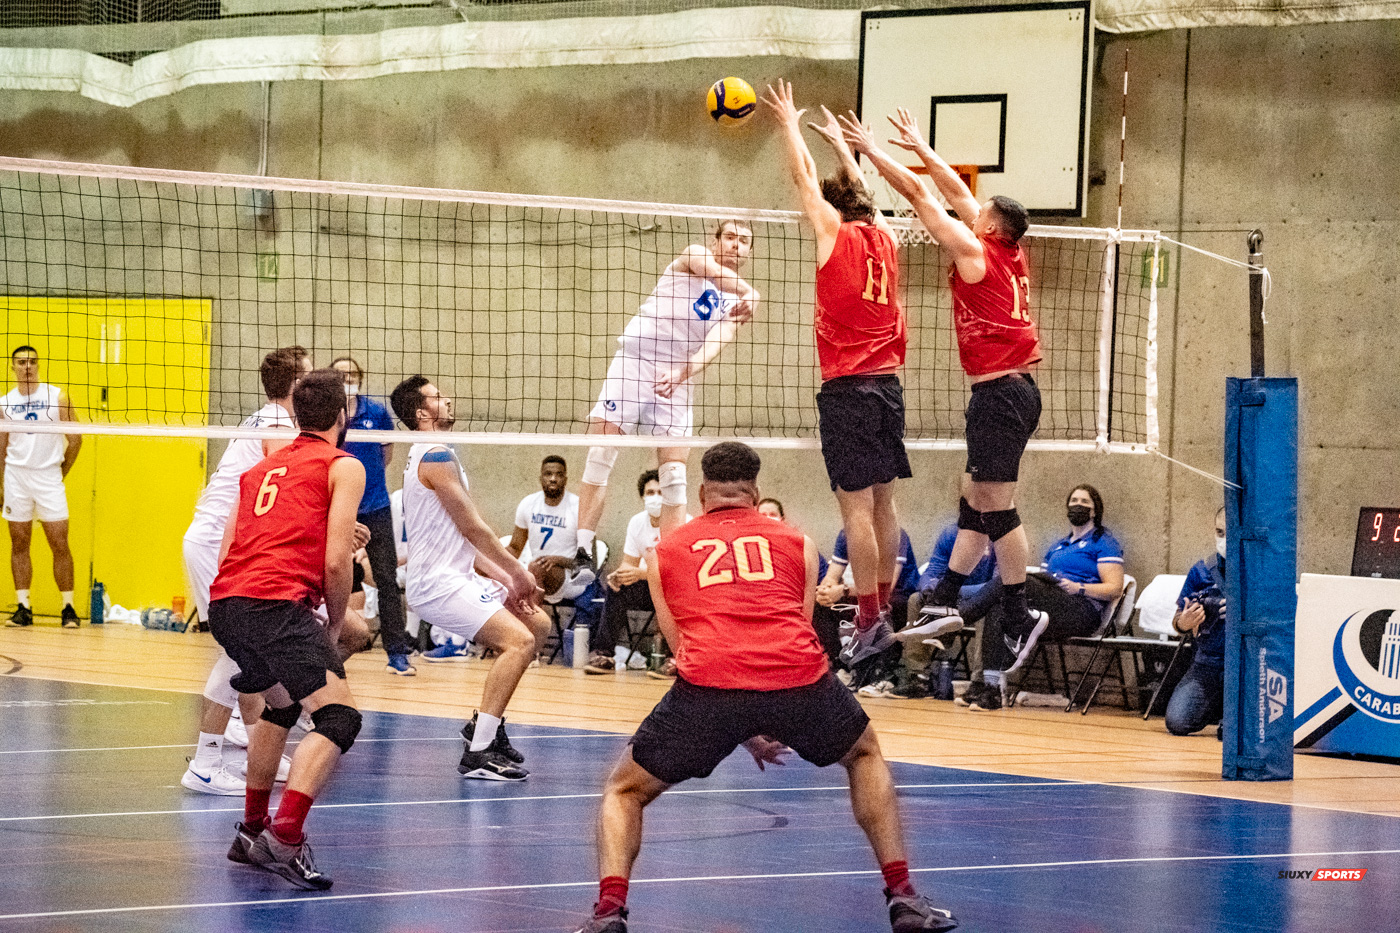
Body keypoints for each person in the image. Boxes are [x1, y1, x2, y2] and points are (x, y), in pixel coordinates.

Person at [571, 441, 957, 933]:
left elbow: (681, 649)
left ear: (703, 491)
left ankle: (609, 912)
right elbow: (796, 623)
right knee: (863, 754)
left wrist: (741, 722)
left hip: (708, 684)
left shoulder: (662, 553)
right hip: (796, 676)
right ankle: (903, 898)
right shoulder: (799, 542)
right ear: (754, 492)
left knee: (624, 790)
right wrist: (765, 716)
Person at [839, 108, 1045, 664]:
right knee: (977, 498)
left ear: (990, 228)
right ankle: (947, 596)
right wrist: (922, 145)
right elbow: (953, 189)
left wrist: (875, 153)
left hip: (1001, 394)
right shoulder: (1007, 248)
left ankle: (1020, 614)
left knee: (997, 506)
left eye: (981, 213)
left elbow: (925, 199)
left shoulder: (976, 251)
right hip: (1008, 392)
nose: (972, 212)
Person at [762, 81, 911, 669]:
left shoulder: (833, 234)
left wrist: (788, 125)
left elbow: (803, 178)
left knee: (856, 511)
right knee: (884, 505)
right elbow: (865, 197)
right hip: (890, 387)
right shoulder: (888, 238)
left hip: (848, 389)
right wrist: (850, 152)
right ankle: (884, 609)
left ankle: (869, 618)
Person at [209, 369, 366, 891]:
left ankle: (252, 831)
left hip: (228, 604)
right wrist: (335, 624)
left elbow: (234, 542)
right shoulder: (343, 465)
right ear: (342, 416)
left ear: (296, 414)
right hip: (276, 606)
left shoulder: (261, 468)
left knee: (280, 705)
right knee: (339, 719)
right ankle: (285, 838)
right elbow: (338, 562)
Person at [390, 375, 550, 780]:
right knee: (519, 642)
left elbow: (466, 542)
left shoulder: (439, 452)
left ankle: (484, 726)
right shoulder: (434, 455)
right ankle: (477, 754)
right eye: (437, 397)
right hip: (436, 584)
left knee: (538, 623)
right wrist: (517, 570)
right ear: (422, 413)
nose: (448, 399)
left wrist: (507, 579)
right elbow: (473, 527)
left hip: (458, 574)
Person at [574, 219, 760, 563]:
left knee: (674, 476)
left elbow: (717, 340)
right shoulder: (695, 256)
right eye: (730, 237)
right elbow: (714, 273)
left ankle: (673, 561)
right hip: (636, 360)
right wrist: (750, 291)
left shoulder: (736, 303)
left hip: (678, 375)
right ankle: (583, 549)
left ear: (749, 251)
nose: (736, 245)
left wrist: (683, 372)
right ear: (715, 240)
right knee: (601, 452)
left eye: (744, 241)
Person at [180, 346, 309, 794]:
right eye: (308, 377)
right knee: (237, 648)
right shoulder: (277, 421)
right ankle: (204, 763)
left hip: (225, 539)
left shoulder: (268, 416)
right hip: (218, 542)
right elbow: (283, 470)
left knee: (246, 648)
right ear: (295, 385)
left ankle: (253, 740)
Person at [960, 484, 1125, 711]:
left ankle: (963, 615)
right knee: (1002, 602)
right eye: (1074, 501)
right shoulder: (1058, 546)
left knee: (1013, 579)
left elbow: (1115, 588)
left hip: (1082, 610)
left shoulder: (1103, 542)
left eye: (1085, 502)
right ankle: (989, 688)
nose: (1078, 505)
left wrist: (1080, 588)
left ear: (1095, 511)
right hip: (1053, 605)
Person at [330, 357, 415, 676]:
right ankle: (326, 645)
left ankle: (397, 654)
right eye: (340, 375)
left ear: (360, 379)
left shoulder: (377, 413)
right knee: (331, 576)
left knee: (387, 580)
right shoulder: (328, 415)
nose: (346, 379)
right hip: (338, 509)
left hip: (375, 507)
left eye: (351, 374)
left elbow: (386, 456)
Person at [1, 346, 82, 628]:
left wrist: (61, 473)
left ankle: (68, 608)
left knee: (59, 542)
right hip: (16, 477)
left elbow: (76, 440)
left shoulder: (56, 397)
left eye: (32, 362)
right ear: (13, 367)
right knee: (19, 542)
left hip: (48, 477)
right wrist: (1, 485)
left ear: (38, 366)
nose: (27, 367)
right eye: (22, 362)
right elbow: (1, 448)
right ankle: (23, 607)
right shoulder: (5, 403)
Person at [505, 454, 601, 650]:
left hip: (571, 579)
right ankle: (502, 639)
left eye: (558, 475)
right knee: (505, 573)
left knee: (535, 568)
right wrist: (492, 563)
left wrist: (560, 560)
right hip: (536, 576)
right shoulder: (528, 504)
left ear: (565, 478)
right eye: (548, 474)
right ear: (541, 477)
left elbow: (590, 563)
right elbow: (515, 547)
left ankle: (532, 646)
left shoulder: (579, 508)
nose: (553, 479)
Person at [583, 470, 665, 675]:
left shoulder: (680, 522)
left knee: (679, 591)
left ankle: (674, 659)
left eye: (661, 492)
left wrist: (642, 574)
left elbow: (679, 573)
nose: (656, 497)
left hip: (672, 591)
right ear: (643, 497)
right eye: (651, 492)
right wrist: (619, 575)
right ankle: (604, 654)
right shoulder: (637, 522)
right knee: (616, 587)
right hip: (648, 591)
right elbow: (629, 565)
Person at [1165, 508, 1228, 737]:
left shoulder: (1260, 571)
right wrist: (1183, 622)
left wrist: (1243, 614)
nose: (1224, 540)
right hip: (1207, 664)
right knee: (1177, 723)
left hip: (1246, 666)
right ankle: (1217, 706)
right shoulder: (1201, 570)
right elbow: (1177, 622)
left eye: (1229, 533)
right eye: (1219, 532)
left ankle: (1229, 711)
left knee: (1233, 734)